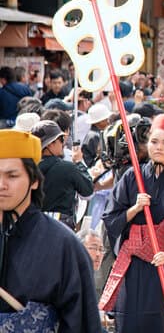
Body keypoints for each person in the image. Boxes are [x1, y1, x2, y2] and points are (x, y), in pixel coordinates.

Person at [101, 114, 164, 333]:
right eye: (154, 142)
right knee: (131, 318)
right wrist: (134, 209)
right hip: (134, 262)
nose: (159, 147)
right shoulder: (131, 177)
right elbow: (111, 216)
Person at [0, 129, 101, 331]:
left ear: (34, 180)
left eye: (12, 176)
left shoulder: (63, 245)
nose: (1, 185)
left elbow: (82, 322)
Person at [32, 119, 94, 229]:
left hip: (32, 224)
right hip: (60, 226)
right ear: (50, 144)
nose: (63, 143)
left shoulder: (26, 169)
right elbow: (88, 193)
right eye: (61, 139)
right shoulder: (67, 168)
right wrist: (79, 163)